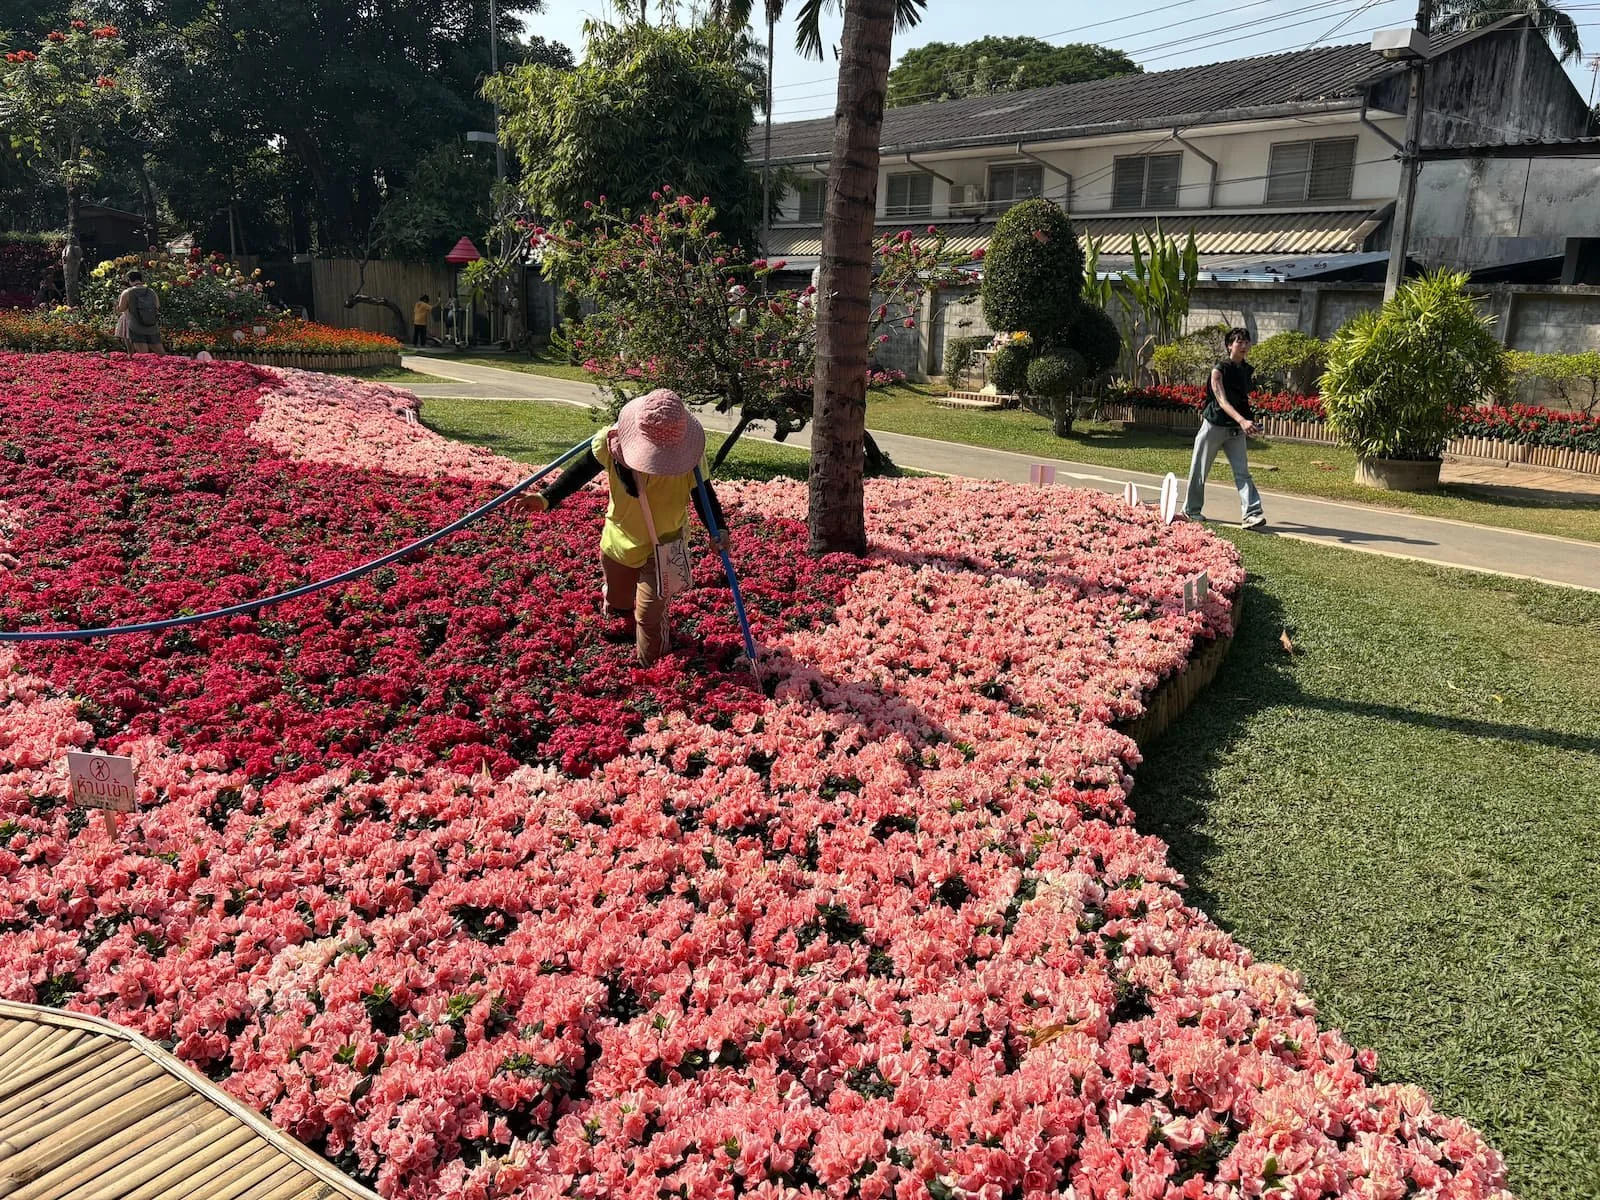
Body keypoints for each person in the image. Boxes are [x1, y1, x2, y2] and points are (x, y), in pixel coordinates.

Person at [517, 389, 730, 666]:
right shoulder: (611, 442)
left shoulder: (689, 454)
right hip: (620, 540)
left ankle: (653, 668)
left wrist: (719, 529)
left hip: (665, 546)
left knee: (649, 616)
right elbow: (579, 472)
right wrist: (546, 498)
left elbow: (703, 494)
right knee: (620, 602)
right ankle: (619, 605)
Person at [1183, 326, 1265, 529]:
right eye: (1239, 341)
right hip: (1214, 425)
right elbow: (1222, 401)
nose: (1244, 345)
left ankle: (1251, 514)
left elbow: (1241, 400)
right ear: (1230, 345)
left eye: (1246, 341)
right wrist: (1242, 421)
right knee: (1199, 470)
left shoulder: (1246, 370)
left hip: (1235, 429)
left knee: (1243, 472)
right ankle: (1191, 510)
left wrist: (1249, 422)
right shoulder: (1219, 370)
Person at [115, 271, 164, 355]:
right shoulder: (151, 291)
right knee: (161, 354)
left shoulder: (127, 292)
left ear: (129, 280)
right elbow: (157, 306)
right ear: (141, 280)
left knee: (143, 355)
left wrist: (116, 305)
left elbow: (121, 309)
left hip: (135, 326)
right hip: (151, 325)